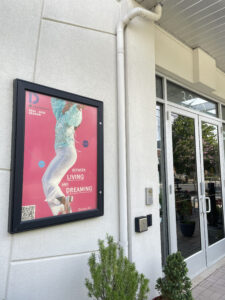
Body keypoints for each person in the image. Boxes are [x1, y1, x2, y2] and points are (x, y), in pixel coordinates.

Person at [42, 97, 83, 216]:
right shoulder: (60, 116)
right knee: (48, 181)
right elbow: (55, 102)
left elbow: (75, 113)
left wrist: (76, 106)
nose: (65, 104)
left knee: (48, 180)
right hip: (62, 153)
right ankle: (64, 208)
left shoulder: (70, 118)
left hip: (67, 153)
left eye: (68, 103)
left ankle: (64, 205)